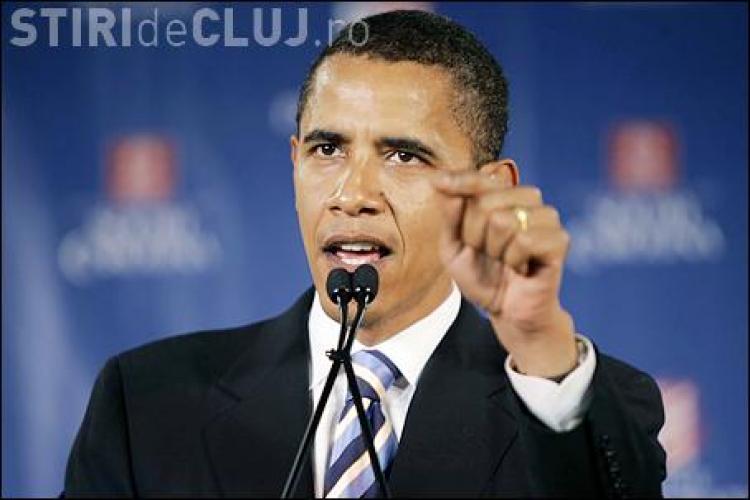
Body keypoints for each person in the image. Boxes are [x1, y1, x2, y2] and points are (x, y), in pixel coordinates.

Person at [64, 9, 666, 498]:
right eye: (327, 150)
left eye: (403, 155)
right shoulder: (147, 403)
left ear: (490, 191)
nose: (352, 194)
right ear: (295, 163)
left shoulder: (576, 403)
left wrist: (537, 342)